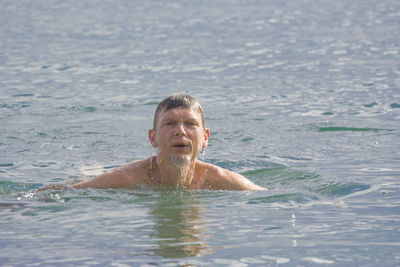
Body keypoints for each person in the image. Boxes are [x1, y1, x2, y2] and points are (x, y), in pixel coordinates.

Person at [42, 94, 267, 191]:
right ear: (153, 138)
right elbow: (68, 192)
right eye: (169, 124)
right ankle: (92, 166)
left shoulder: (220, 179)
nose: (180, 131)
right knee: (90, 178)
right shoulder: (131, 177)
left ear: (205, 138)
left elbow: (269, 196)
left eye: (190, 124)